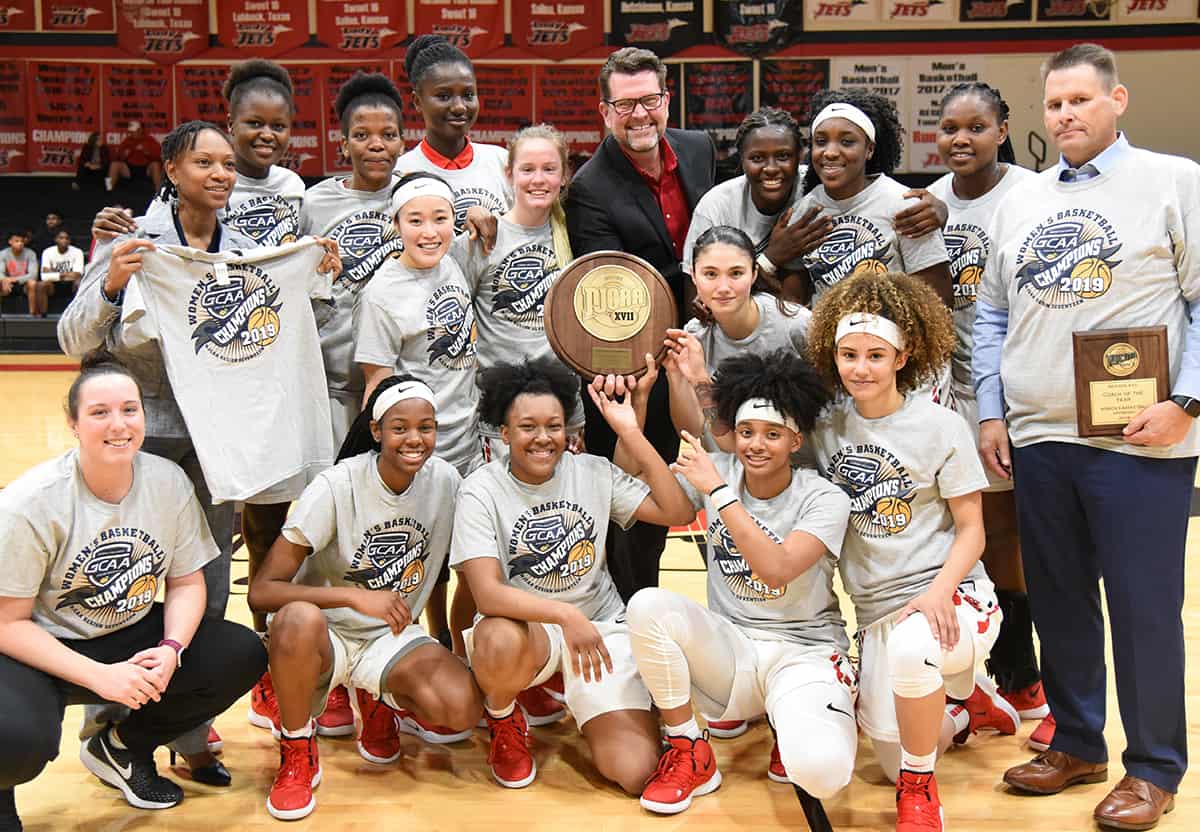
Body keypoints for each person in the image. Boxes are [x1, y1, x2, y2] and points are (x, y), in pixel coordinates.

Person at [976, 43, 1200, 831]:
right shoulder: (1020, 199)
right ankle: (1076, 742)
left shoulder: (1175, 182)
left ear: (1118, 100)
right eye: (1055, 104)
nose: (1065, 115)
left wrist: (1188, 401)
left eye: (1080, 100)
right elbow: (992, 315)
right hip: (1039, 438)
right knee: (1061, 601)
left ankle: (1153, 767)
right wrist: (990, 409)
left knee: (1142, 607)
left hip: (1140, 441)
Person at [58, 121, 256, 782]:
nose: (221, 174)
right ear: (171, 169)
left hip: (217, 445)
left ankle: (181, 724)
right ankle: (110, 720)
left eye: (228, 164)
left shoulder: (248, 246)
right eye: (205, 162)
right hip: (141, 441)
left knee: (208, 582)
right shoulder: (128, 237)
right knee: (136, 584)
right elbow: (70, 336)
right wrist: (112, 284)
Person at [0, 351, 266, 830]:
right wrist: (99, 677)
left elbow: (187, 582)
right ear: (73, 424)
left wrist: (170, 648)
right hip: (40, 647)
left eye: (129, 409)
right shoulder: (30, 503)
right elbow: (7, 624)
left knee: (240, 651)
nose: (118, 424)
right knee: (15, 740)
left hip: (126, 632)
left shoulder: (168, 482)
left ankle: (120, 747)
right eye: (99, 413)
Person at [806, 270, 1006, 832]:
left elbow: (972, 529)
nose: (860, 368)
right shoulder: (825, 429)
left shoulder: (942, 425)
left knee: (916, 652)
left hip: (952, 592)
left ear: (904, 353)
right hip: (875, 612)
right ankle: (964, 707)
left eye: (875, 354)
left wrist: (941, 591)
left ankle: (921, 794)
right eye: (848, 355)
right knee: (888, 755)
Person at [626, 349, 857, 817]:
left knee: (821, 772)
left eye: (773, 435)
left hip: (804, 650)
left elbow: (776, 568)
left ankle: (796, 715)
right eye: (747, 432)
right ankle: (691, 748)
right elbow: (658, 501)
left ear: (795, 441)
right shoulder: (723, 470)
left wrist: (717, 491)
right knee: (647, 606)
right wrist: (631, 427)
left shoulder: (824, 497)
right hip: (734, 650)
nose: (756, 445)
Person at [451, 358, 694, 793]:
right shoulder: (480, 490)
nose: (543, 438)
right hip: (533, 630)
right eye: (527, 427)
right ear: (504, 434)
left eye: (554, 426)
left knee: (636, 772)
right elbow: (486, 594)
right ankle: (504, 717)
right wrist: (565, 616)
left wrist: (631, 433)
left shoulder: (593, 471)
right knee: (495, 638)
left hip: (598, 628)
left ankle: (585, 694)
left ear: (569, 430)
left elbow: (677, 511)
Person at [248, 375, 480, 821]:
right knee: (296, 618)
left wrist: (442, 641)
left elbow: (443, 574)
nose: (414, 439)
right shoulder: (336, 486)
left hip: (389, 637)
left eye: (426, 427)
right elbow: (262, 591)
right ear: (376, 431)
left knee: (461, 708)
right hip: (325, 637)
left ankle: (378, 695)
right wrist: (355, 600)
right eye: (400, 428)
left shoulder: (447, 483)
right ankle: (296, 749)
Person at [565, 46, 716, 602]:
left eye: (649, 101)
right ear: (604, 111)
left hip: (702, 351)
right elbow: (612, 293)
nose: (639, 115)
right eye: (624, 105)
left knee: (720, 484)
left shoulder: (700, 150)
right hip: (633, 369)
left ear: (666, 100)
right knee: (636, 518)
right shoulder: (589, 187)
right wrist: (699, 289)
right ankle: (634, 623)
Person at [925, 82, 1049, 744]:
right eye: (949, 128)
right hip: (946, 392)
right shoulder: (928, 205)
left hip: (1013, 388)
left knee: (1006, 536)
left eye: (976, 126)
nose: (961, 138)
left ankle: (1024, 670)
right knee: (954, 537)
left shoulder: (1031, 195)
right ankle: (967, 680)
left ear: (1003, 130)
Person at [682, 108, 944, 305]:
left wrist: (942, 209)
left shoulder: (818, 191)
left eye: (783, 156)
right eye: (757, 158)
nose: (771, 168)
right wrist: (771, 258)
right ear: (742, 161)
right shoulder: (717, 206)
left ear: (800, 157)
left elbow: (937, 300)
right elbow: (700, 300)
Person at [301, 72, 405, 449]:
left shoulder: (416, 195)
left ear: (401, 142)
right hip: (335, 379)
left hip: (399, 376)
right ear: (343, 144)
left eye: (388, 135)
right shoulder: (315, 202)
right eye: (362, 136)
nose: (376, 145)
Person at [355, 172, 480, 477]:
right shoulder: (380, 294)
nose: (429, 233)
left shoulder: (452, 260)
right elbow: (376, 384)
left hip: (469, 441)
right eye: (415, 221)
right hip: (419, 451)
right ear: (396, 225)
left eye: (440, 218)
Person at [664, 226, 810, 454]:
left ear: (754, 273)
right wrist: (675, 375)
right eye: (710, 274)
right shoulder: (694, 337)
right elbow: (690, 430)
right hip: (729, 467)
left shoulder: (797, 325)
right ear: (693, 275)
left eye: (736, 273)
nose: (723, 288)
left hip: (796, 471)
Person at [395, 34, 511, 233]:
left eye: (468, 95)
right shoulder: (399, 173)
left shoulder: (503, 162)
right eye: (444, 96)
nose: (459, 107)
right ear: (417, 102)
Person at [108, 121, 163, 192]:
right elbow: (117, 156)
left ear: (140, 130)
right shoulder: (127, 140)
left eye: (133, 131)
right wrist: (124, 155)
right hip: (130, 168)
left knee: (155, 165)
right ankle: (108, 189)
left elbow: (159, 156)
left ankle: (160, 193)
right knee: (114, 165)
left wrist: (148, 153)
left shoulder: (150, 140)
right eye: (130, 132)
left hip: (146, 168)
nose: (131, 133)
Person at [0, 231, 41, 315]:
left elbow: (33, 275)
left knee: (32, 283)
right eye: (17, 241)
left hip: (24, 284)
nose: (20, 243)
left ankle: (32, 314)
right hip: (8, 285)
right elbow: (0, 272)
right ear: (10, 242)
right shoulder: (3, 254)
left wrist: (13, 279)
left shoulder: (30, 253)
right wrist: (4, 280)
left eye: (22, 241)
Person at [39, 229, 85, 293]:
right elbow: (44, 276)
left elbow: (77, 275)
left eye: (67, 238)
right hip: (53, 283)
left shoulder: (77, 252)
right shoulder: (47, 252)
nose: (64, 240)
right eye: (61, 238)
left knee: (79, 283)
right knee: (42, 285)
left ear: (69, 241)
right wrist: (68, 274)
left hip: (71, 283)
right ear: (56, 239)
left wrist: (54, 272)